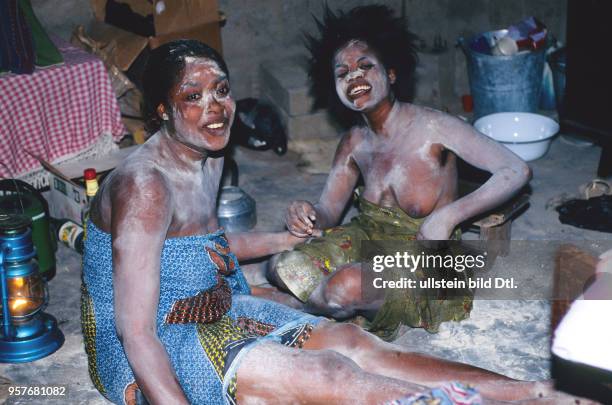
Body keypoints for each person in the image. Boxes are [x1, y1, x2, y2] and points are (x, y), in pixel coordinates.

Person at [81, 39, 566, 405]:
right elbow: (135, 332)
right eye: (193, 96)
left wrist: (279, 237)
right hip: (160, 336)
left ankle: (530, 391)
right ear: (163, 110)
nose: (214, 108)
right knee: (333, 375)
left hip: (216, 304)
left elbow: (197, 245)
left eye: (221, 90)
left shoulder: (207, 156)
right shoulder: (146, 185)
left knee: (353, 340)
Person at [267, 5, 531, 337]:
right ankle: (329, 305)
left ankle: (305, 310)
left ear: (391, 74)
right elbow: (329, 212)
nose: (354, 76)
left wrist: (448, 217)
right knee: (280, 265)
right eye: (342, 72)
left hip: (425, 258)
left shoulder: (434, 127)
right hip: (366, 239)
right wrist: (306, 214)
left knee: (346, 286)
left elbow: (516, 169)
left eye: (365, 66)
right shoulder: (354, 141)